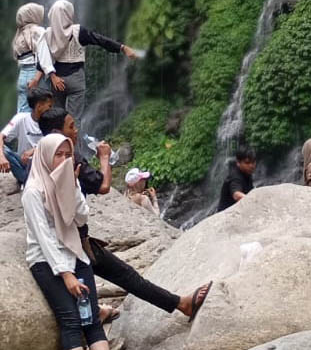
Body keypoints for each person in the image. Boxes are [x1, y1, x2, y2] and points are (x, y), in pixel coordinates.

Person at [37, 110, 211, 324]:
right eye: (71, 126)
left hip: (69, 240)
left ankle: (176, 304)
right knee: (125, 277)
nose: (76, 131)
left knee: (121, 277)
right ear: (57, 132)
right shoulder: (71, 160)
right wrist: (104, 158)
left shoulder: (38, 159)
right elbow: (103, 187)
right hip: (72, 243)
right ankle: (180, 304)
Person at [22, 133, 109, 350]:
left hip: (75, 253)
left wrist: (73, 187)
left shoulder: (68, 182)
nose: (63, 160)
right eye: (58, 155)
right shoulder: (33, 191)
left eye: (68, 155)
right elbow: (43, 236)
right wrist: (66, 274)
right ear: (44, 157)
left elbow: (80, 218)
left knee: (92, 321)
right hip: (46, 260)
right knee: (71, 321)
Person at [37, 0, 140, 126]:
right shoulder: (78, 31)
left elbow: (42, 58)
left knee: (57, 119)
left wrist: (51, 76)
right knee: (74, 122)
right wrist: (123, 48)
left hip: (56, 81)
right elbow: (100, 40)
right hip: (76, 79)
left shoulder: (47, 34)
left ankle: (57, 145)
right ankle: (75, 146)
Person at [0, 87, 53, 187]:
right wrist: (1, 157)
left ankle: (30, 182)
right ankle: (30, 181)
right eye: (49, 106)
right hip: (24, 165)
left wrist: (34, 150)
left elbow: (55, 143)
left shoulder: (52, 120)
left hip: (44, 166)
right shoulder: (21, 118)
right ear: (39, 106)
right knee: (1, 149)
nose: (51, 109)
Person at [12, 2, 53, 113]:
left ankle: (20, 130)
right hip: (35, 76)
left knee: (22, 110)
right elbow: (43, 57)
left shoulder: (19, 34)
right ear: (32, 15)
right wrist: (38, 78)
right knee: (41, 111)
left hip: (22, 76)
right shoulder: (38, 31)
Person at [217, 146, 256, 213]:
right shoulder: (235, 176)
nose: (251, 166)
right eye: (247, 163)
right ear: (238, 163)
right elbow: (236, 195)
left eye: (253, 162)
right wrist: (254, 201)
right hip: (226, 215)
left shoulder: (247, 173)